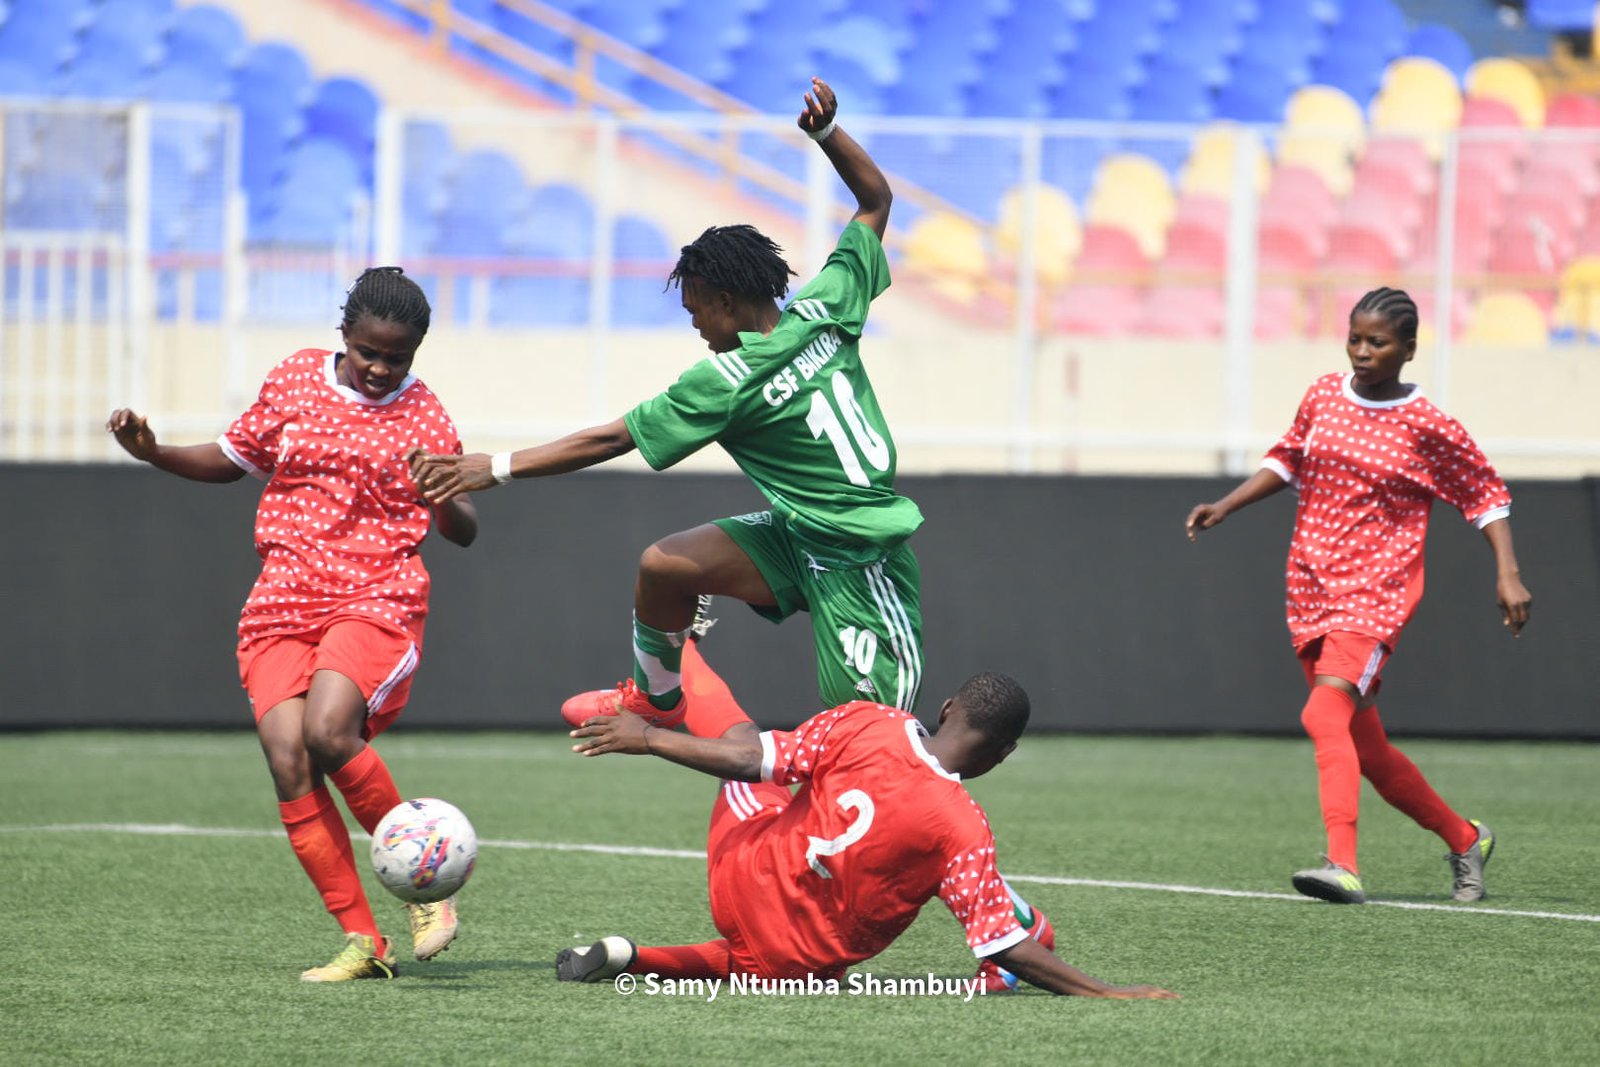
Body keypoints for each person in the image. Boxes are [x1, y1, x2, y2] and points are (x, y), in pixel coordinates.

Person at [409, 77, 924, 726]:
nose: (695, 325)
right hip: (800, 534)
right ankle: (657, 699)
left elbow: (613, 438)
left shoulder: (727, 379)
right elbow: (876, 200)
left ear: (725, 301)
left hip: (860, 553)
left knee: (871, 739)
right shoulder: (826, 304)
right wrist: (825, 134)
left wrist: (497, 467)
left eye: (695, 309)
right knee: (663, 567)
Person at [106, 267, 480, 980]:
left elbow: (463, 529)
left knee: (328, 732)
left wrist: (441, 491)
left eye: (396, 357)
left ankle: (428, 887)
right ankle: (364, 942)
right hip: (284, 600)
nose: (380, 368)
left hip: (374, 593)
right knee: (288, 758)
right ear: (344, 334)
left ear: (415, 353)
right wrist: (153, 452)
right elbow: (232, 459)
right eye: (368, 352)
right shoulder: (295, 379)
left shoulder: (424, 415)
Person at [557, 654, 1179, 1000]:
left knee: (746, 749)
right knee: (775, 969)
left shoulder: (869, 722)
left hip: (741, 877)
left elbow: (749, 760)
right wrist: (1110, 992)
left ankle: (674, 658)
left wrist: (648, 738)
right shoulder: (965, 829)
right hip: (800, 960)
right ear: (1004, 754)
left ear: (946, 709)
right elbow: (1003, 948)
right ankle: (638, 958)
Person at [1185, 287, 1532, 905]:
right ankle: (1465, 838)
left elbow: (1485, 494)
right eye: (1355, 339)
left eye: (1379, 342)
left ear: (1409, 349)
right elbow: (1288, 457)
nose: (1363, 352)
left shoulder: (1427, 425)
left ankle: (1341, 865)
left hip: (1375, 593)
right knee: (1367, 751)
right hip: (1311, 586)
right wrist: (1228, 505)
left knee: (1322, 715)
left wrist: (1507, 572)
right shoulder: (1324, 395)